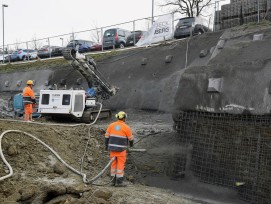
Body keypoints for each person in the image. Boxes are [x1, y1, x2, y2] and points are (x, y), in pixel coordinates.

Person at [105, 111, 134, 187]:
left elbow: (106, 137)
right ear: (124, 118)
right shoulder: (126, 127)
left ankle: (112, 181)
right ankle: (119, 182)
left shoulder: (111, 125)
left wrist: (106, 147)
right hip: (121, 150)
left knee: (113, 165)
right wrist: (131, 146)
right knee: (120, 166)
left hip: (112, 149)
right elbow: (131, 139)